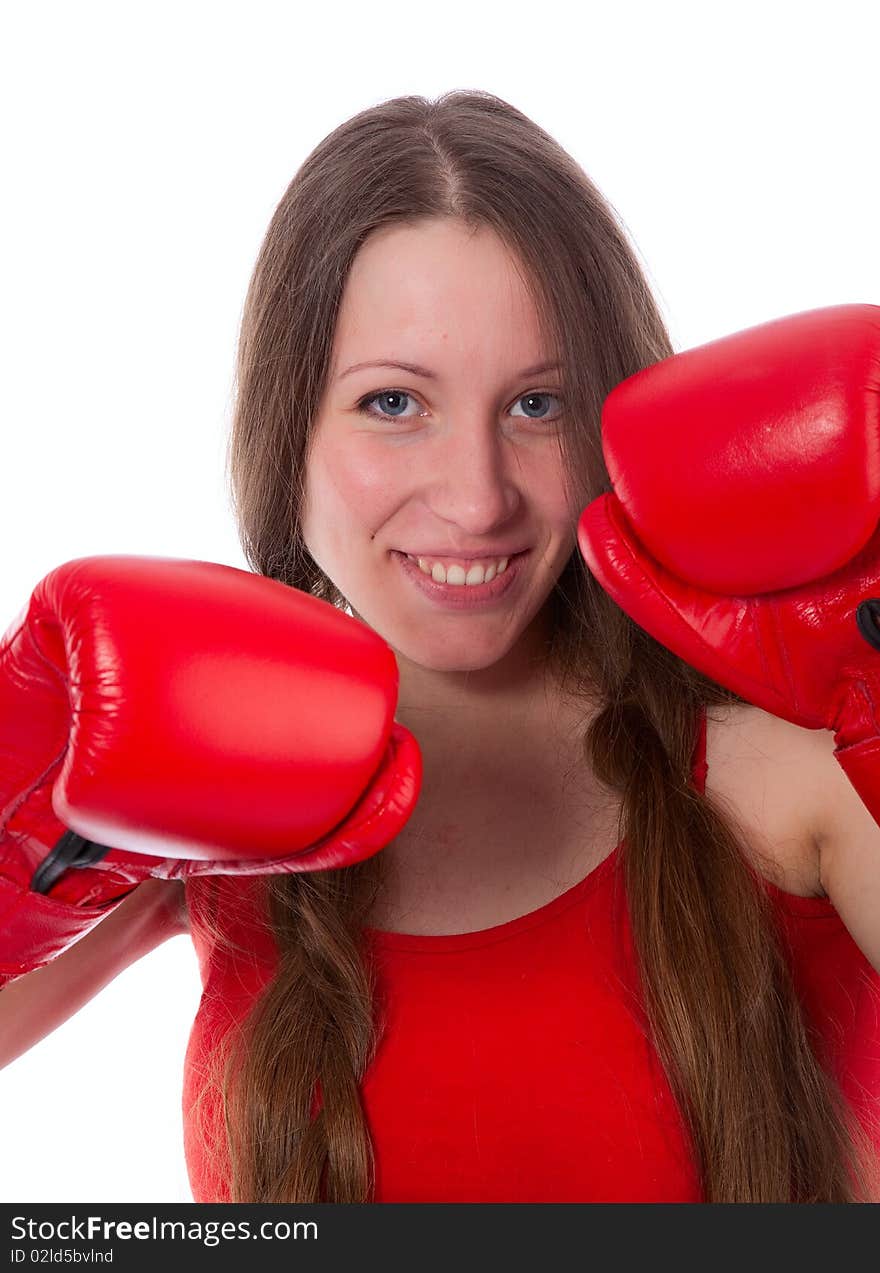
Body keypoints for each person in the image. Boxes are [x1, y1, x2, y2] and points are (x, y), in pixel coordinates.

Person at [2, 90, 879, 1205]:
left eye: (537, 405)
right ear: (291, 434)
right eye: (392, 403)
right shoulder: (205, 801)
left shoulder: (786, 765)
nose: (475, 500)